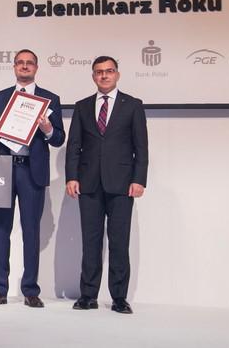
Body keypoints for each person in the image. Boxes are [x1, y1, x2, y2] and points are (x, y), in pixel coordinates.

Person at [0, 49, 65, 308]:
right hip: (4, 169)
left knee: (31, 232)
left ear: (36, 68)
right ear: (14, 67)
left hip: (32, 171)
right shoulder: (0, 97)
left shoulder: (50, 99)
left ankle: (30, 290)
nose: (25, 66)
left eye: (30, 63)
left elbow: (59, 138)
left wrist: (47, 129)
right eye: (20, 62)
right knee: (0, 230)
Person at [65, 56, 148, 314]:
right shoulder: (82, 106)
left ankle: (119, 298)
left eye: (109, 71)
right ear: (93, 76)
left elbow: (141, 147)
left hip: (122, 184)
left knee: (119, 243)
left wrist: (139, 179)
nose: (104, 75)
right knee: (90, 241)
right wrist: (71, 176)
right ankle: (88, 295)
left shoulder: (132, 105)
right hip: (88, 183)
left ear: (117, 74)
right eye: (99, 72)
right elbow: (74, 145)